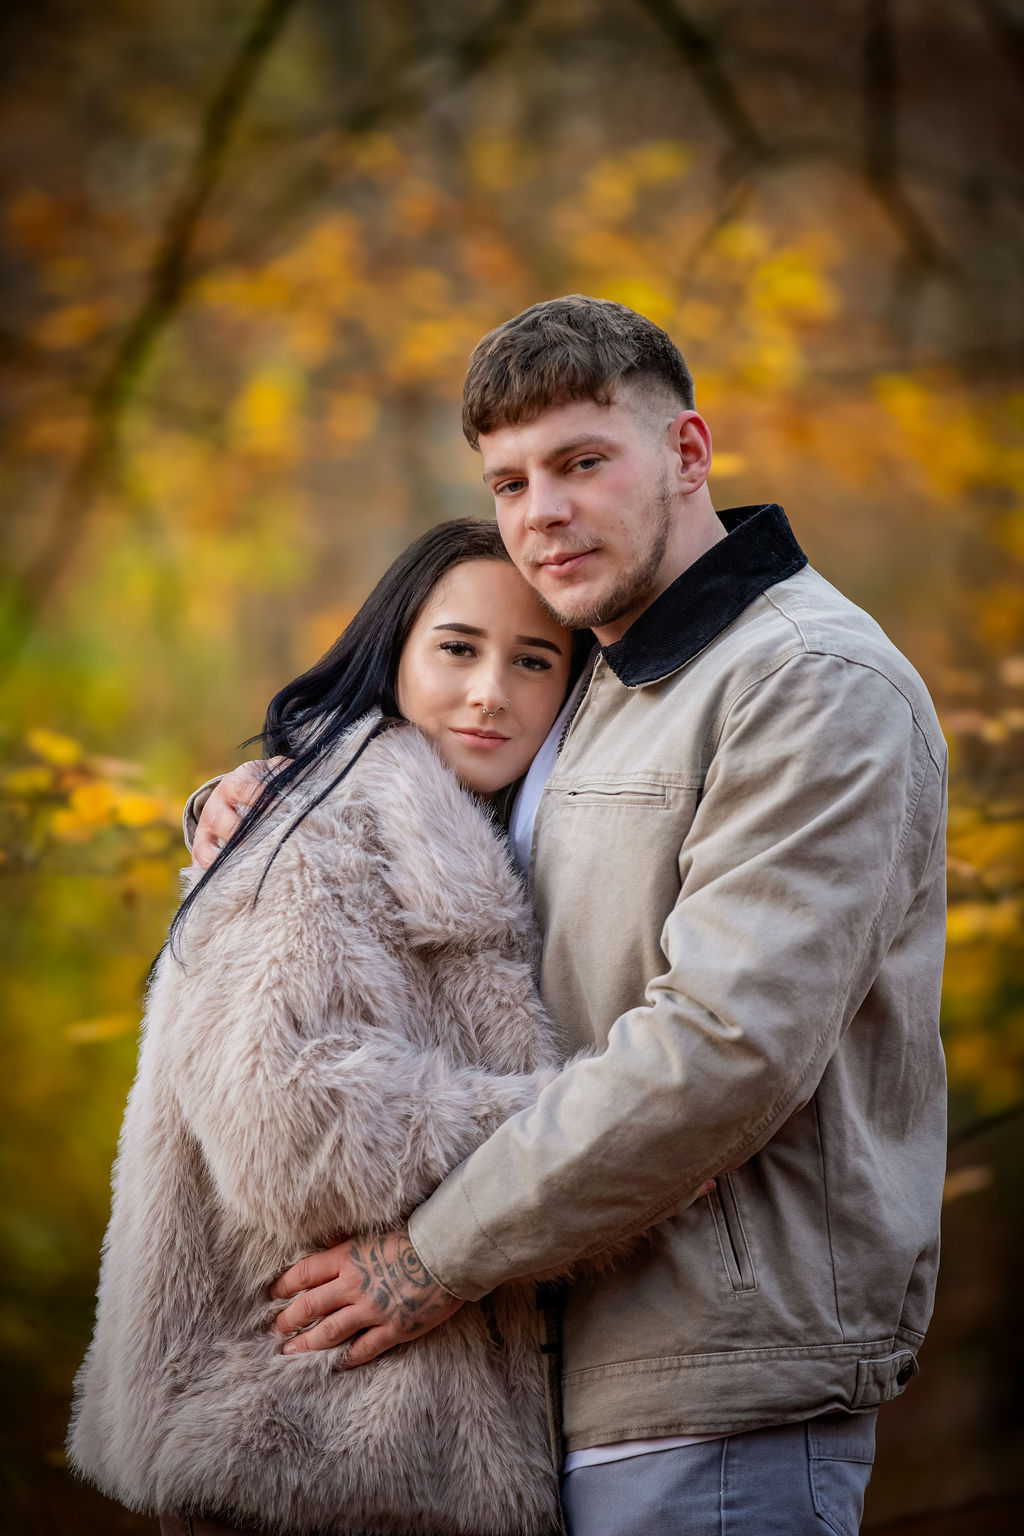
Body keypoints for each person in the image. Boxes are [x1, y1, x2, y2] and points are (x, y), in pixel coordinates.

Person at [188, 296, 948, 1536]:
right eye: (508, 480)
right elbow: (430, 814)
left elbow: (723, 1047)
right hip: (547, 1387)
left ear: (686, 454)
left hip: (713, 1383)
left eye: (582, 463)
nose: (541, 511)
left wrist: (424, 1260)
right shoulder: (599, 672)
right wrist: (249, 799)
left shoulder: (806, 679)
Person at [67, 519, 612, 1536]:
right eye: (457, 648)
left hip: (381, 1458)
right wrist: (593, 1124)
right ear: (394, 651)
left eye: (532, 661)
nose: (491, 689)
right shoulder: (318, 828)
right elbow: (292, 1128)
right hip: (292, 1450)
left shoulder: (484, 836)